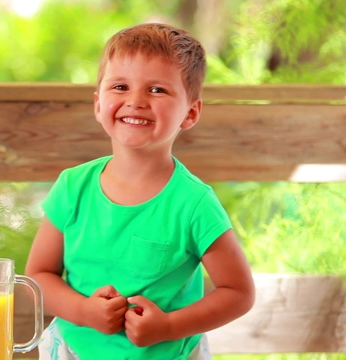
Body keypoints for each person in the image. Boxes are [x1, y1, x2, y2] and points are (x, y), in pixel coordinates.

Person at [25, 22, 255, 360]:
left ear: (190, 113)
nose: (136, 101)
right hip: (71, 350)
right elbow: (38, 276)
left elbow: (238, 293)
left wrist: (169, 327)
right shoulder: (73, 187)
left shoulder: (194, 204)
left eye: (157, 90)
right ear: (98, 104)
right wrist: (84, 311)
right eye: (120, 86)